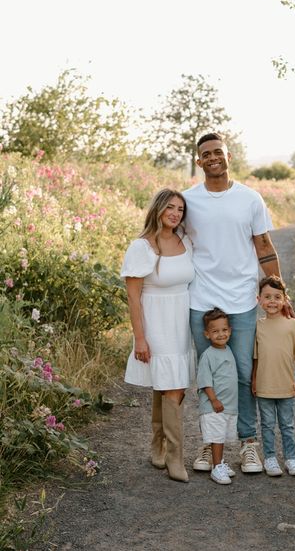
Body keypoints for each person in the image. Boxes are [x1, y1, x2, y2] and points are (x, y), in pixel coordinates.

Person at [183, 132, 295, 474]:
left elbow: (264, 247)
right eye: (207, 154)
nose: (213, 157)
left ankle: (248, 444)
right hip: (202, 299)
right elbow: (168, 240)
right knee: (209, 374)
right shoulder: (188, 200)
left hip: (242, 300)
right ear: (199, 161)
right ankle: (209, 443)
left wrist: (279, 296)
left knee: (246, 373)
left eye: (219, 152)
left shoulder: (250, 198)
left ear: (228, 156)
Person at [121, 188, 194, 483]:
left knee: (171, 385)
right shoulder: (142, 247)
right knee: (172, 385)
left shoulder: (186, 240)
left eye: (180, 209)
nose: (175, 214)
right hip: (156, 320)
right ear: (158, 209)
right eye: (170, 208)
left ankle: (158, 445)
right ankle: (175, 458)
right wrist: (140, 338)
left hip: (183, 318)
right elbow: (133, 297)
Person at [251, 275, 295, 477]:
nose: (272, 301)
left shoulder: (293, 325)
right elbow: (256, 357)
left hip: (286, 385)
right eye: (267, 297)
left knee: (287, 424)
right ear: (258, 300)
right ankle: (269, 458)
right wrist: (253, 380)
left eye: (277, 297)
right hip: (265, 386)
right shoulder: (258, 326)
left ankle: (291, 458)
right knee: (267, 425)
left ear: (285, 299)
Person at [196, 308, 238, 485]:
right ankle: (216, 467)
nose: (221, 334)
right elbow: (205, 381)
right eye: (215, 331)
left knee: (222, 436)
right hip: (214, 407)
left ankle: (220, 462)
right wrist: (213, 399)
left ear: (230, 330)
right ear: (207, 334)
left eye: (224, 330)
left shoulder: (228, 349)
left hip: (228, 405)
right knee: (217, 438)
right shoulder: (208, 355)